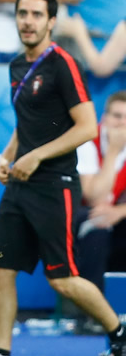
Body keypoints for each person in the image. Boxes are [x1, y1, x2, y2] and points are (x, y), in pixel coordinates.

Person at [0, 0, 126, 356]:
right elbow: (25, 122)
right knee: (0, 270)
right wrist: (13, 155)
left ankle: (119, 334)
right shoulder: (16, 66)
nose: (27, 21)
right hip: (20, 182)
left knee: (62, 277)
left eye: (36, 15)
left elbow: (85, 127)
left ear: (50, 22)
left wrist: (36, 156)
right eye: (22, 13)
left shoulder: (64, 64)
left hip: (55, 183)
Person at [74, 92, 126, 292]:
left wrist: (119, 212)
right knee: (97, 227)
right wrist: (113, 151)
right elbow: (94, 197)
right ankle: (91, 314)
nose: (122, 123)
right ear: (104, 118)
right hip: (84, 214)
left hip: (116, 214)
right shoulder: (88, 142)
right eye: (117, 116)